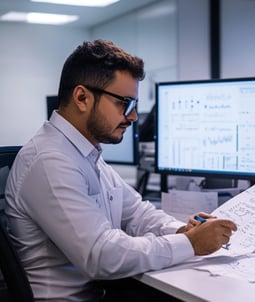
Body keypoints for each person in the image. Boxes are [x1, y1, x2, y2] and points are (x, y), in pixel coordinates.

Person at [4, 39, 237, 301]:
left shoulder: (85, 152)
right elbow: (101, 256)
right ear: (82, 97)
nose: (134, 116)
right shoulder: (49, 160)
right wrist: (191, 244)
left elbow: (137, 213)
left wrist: (182, 231)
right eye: (124, 103)